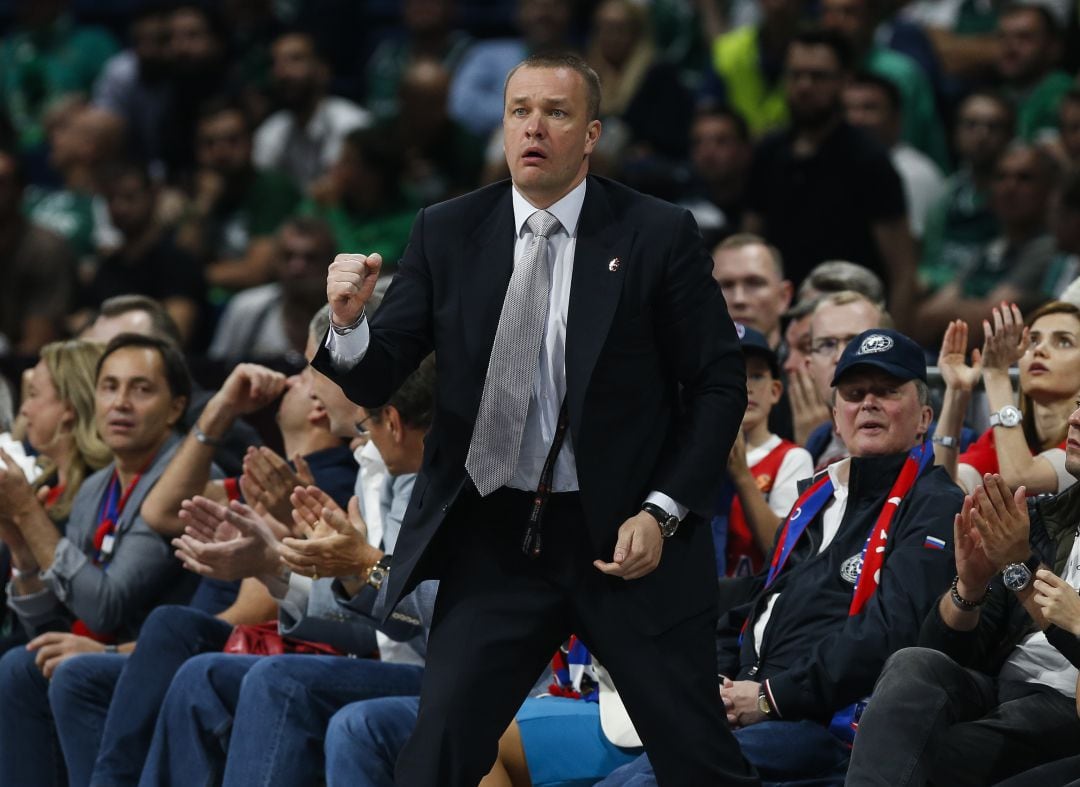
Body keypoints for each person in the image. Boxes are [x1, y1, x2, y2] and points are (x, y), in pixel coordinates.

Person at [317, 52, 755, 784]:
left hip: (623, 538)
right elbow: (380, 371)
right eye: (520, 110)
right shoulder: (448, 231)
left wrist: (664, 508)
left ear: (590, 134)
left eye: (556, 112)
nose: (534, 127)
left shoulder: (655, 233)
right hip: (497, 536)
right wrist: (348, 325)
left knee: (700, 762)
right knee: (435, 757)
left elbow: (717, 384)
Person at [597, 328, 962, 783]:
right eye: (854, 393)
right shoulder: (817, 498)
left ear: (924, 416)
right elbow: (759, 605)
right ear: (836, 416)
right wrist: (719, 680)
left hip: (824, 723)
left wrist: (771, 696)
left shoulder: (934, 503)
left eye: (888, 392)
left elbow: (889, 631)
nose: (868, 402)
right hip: (753, 706)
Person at [0, 333, 196, 786]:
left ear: (175, 407)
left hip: (164, 656)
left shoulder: (182, 483)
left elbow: (105, 606)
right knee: (22, 666)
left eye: (141, 389)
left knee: (74, 674)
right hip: (104, 651)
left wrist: (28, 512)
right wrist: (22, 552)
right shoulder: (97, 487)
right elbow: (52, 632)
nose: (120, 403)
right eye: (109, 387)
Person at [844, 466, 1080, 785]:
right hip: (1000, 684)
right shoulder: (1047, 517)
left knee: (915, 754)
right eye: (1076, 411)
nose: (1075, 419)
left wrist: (1022, 567)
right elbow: (943, 652)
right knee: (912, 663)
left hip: (1066, 702)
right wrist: (970, 587)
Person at [742, 29, 916, 324]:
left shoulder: (868, 159)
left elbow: (902, 270)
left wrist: (889, 345)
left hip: (852, 323)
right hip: (780, 321)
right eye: (795, 75)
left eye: (818, 76)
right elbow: (750, 244)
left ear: (845, 82)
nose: (804, 86)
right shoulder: (768, 152)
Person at [915, 144, 1060, 345]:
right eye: (1001, 177)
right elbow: (924, 319)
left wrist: (958, 311)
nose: (1010, 187)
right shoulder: (990, 248)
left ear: (1049, 189)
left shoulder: (1050, 249)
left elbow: (988, 324)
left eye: (1024, 178)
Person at [934, 301, 1080, 497]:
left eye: (1064, 341)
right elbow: (942, 490)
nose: (1039, 350)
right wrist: (957, 393)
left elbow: (1022, 477)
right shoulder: (1001, 440)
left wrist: (996, 375)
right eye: (1033, 341)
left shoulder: (1076, 440)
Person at [716, 325, 812, 577]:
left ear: (775, 390)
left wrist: (741, 476)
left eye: (756, 375)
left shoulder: (792, 458)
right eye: (732, 372)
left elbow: (782, 550)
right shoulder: (692, 453)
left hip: (751, 599)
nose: (745, 386)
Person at [918, 91, 1014, 299]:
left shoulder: (1017, 194)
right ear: (955, 133)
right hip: (940, 292)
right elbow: (930, 259)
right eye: (971, 125)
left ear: (1010, 136)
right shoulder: (948, 192)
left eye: (993, 127)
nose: (981, 135)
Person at [208, 216, 339, 362]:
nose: (297, 268)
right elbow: (218, 371)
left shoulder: (348, 319)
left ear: (331, 262)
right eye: (288, 256)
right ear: (275, 260)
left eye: (311, 258)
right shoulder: (247, 308)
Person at [253, 31, 371, 188]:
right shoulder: (271, 132)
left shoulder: (352, 125)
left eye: (295, 59)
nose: (282, 73)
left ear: (323, 71)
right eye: (276, 63)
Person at [843, 72, 946, 241]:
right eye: (848, 109)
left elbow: (909, 247)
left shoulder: (913, 173)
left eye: (869, 108)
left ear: (896, 117)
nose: (855, 118)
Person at [0, 147, 75, 356]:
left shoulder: (45, 249)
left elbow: (38, 346)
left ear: (20, 190)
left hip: (24, 368)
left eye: (1, 183)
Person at [803, 291, 889, 466]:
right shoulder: (815, 444)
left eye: (856, 343)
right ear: (809, 366)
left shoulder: (937, 443)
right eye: (827, 344)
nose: (841, 356)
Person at [995, 4, 1072, 142]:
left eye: (1024, 38)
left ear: (1053, 47)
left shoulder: (1068, 96)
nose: (1010, 48)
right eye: (1002, 37)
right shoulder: (997, 97)